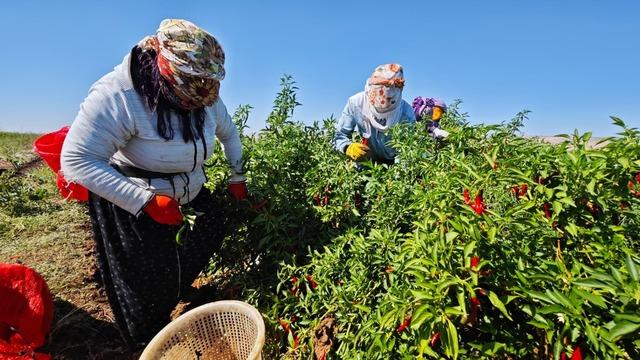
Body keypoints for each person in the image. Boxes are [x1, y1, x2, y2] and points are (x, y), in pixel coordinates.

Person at [60, 19, 247, 349]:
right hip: (132, 198)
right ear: (166, 67)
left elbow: (229, 136)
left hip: (189, 190)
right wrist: (144, 201)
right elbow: (76, 161)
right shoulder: (120, 95)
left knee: (209, 229)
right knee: (141, 278)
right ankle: (146, 340)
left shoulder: (205, 97)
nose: (202, 94)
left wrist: (237, 177)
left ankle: (174, 289)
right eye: (193, 85)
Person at [333, 64, 416, 165]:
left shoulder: (406, 114)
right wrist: (347, 147)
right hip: (366, 161)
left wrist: (397, 177)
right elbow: (339, 134)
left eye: (387, 102)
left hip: (393, 163)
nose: (381, 108)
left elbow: (407, 150)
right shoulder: (356, 103)